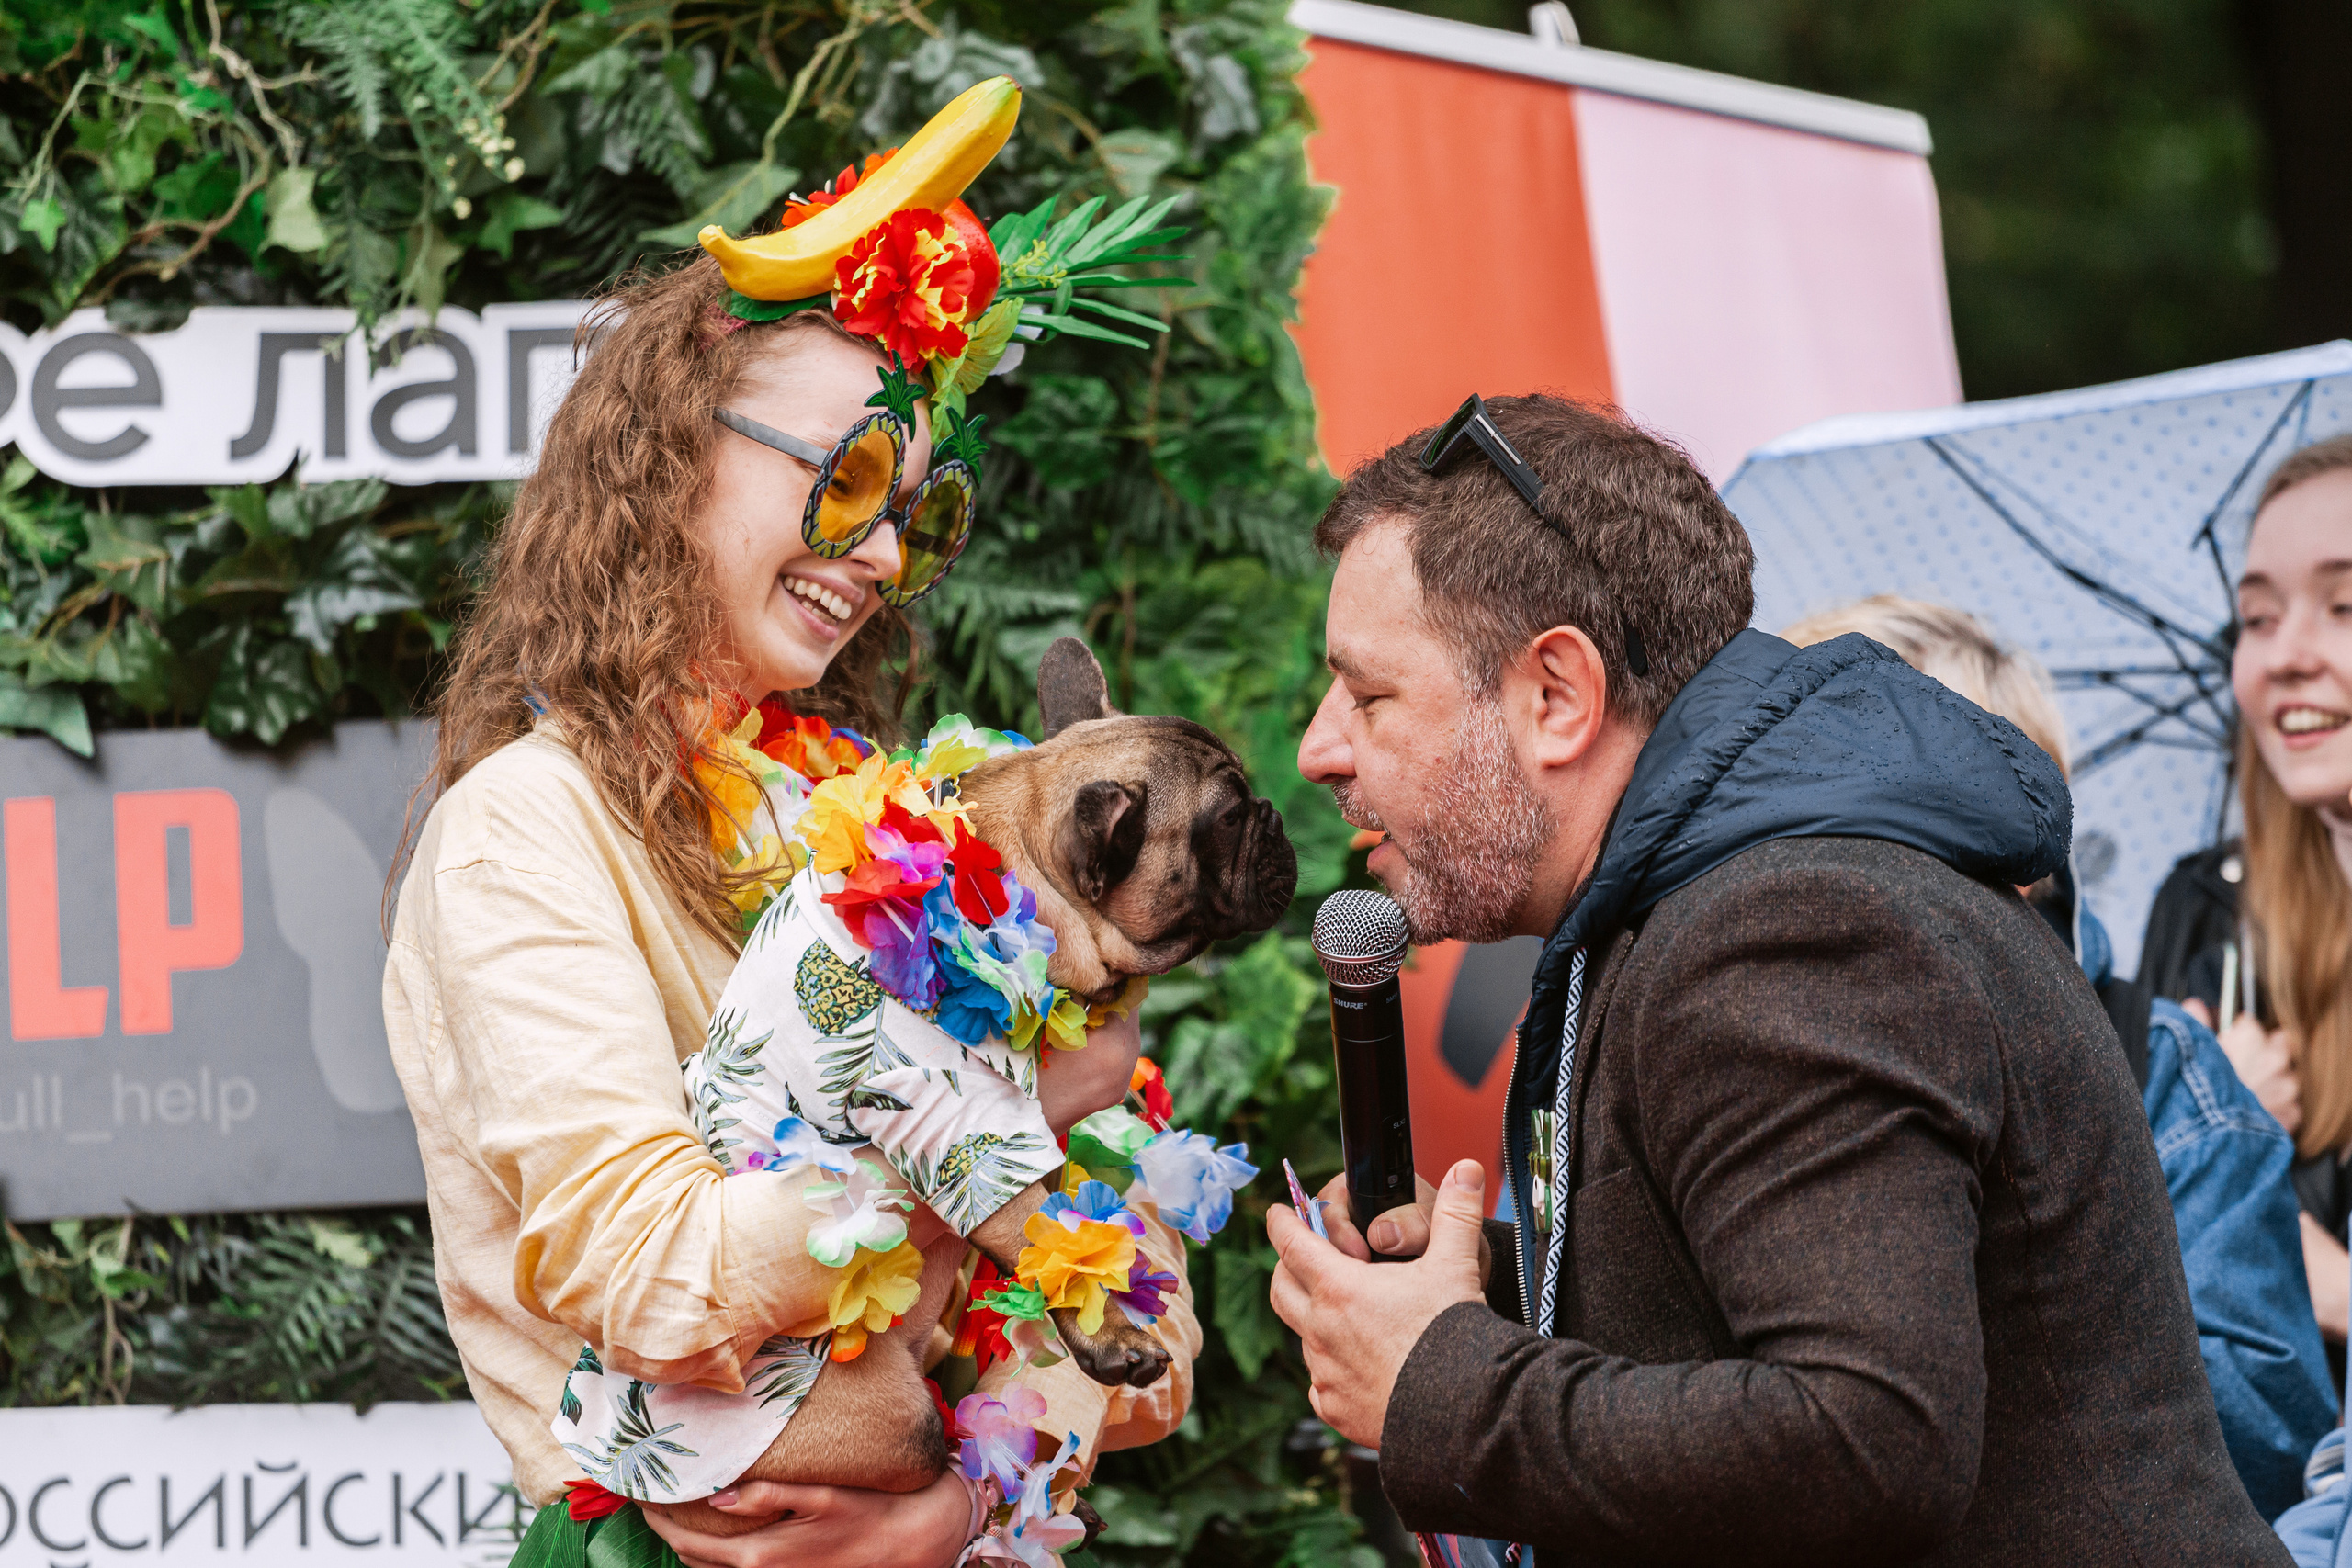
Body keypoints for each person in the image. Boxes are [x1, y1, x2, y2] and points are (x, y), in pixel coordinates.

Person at [1268, 392, 2286, 1563]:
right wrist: (1465, 1295)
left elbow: (1865, 1440)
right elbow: (1737, 1314)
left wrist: (1442, 1384)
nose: (1318, 749)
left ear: (1556, 697)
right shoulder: (1707, 899)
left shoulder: (1786, 928)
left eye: (1370, 695)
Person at [379, 257, 1199, 1566]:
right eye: (848, 477)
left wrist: (966, 1506)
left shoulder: (882, 822)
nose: (881, 553)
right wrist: (1006, 1125)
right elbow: (650, 1276)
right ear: (669, 457)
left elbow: (1156, 1340)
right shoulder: (524, 826)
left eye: (916, 514)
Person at [1782, 593, 2335, 1520]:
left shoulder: (2159, 1067)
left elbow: (2267, 1443)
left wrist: (1997, 1292)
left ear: (2018, 839)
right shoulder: (1749, 1040)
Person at [2142, 434, 2352, 1370]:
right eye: (2257, 618)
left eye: (2344, 607)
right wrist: (2203, 1130)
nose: (2284, 656)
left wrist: (2328, 1284)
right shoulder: (2203, 912)